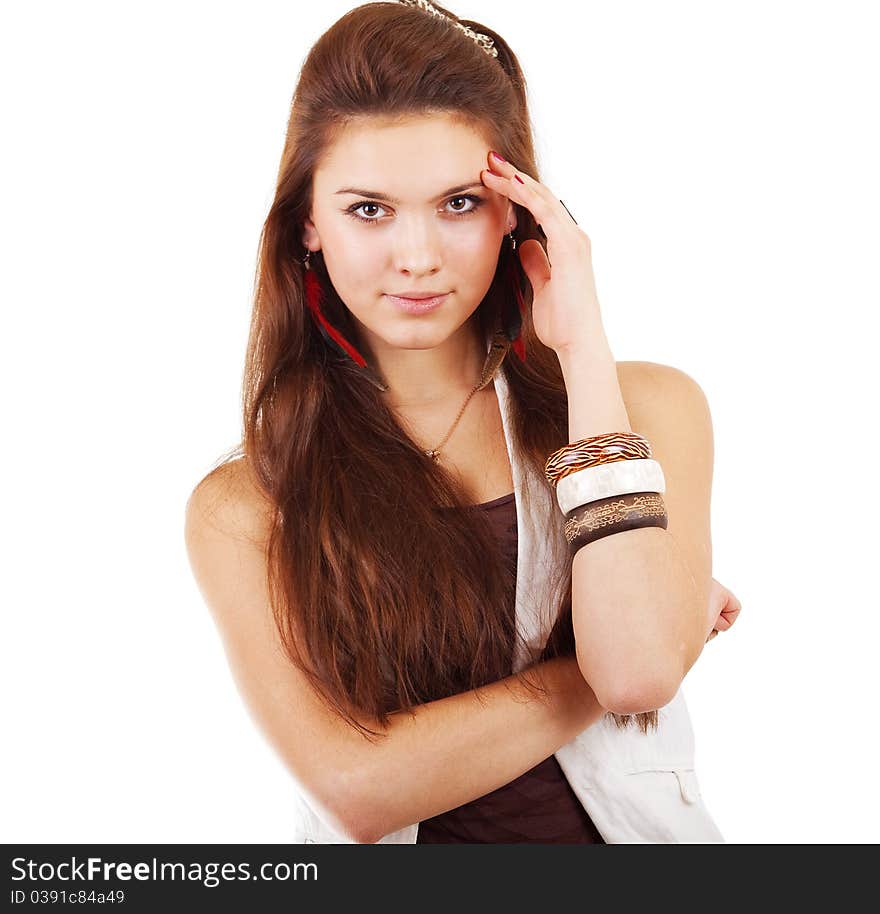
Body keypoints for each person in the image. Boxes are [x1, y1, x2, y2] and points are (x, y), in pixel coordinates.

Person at [184, 0, 742, 844]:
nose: (417, 256)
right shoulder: (249, 504)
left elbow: (637, 676)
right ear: (308, 223)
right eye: (368, 209)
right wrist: (660, 627)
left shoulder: (648, 407)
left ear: (517, 209)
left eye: (458, 204)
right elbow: (358, 791)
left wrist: (583, 347)